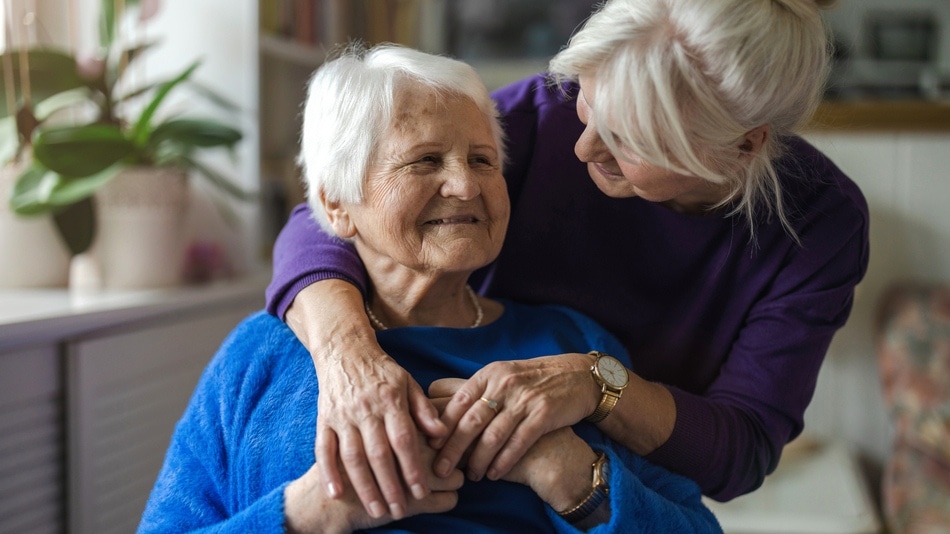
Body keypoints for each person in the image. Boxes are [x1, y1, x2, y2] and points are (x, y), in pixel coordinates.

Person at [266, 0, 869, 518]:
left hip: (615, 481)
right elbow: (330, 218)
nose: (583, 147)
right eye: (589, 103)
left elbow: (741, 449)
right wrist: (350, 359)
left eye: (630, 139)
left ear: (742, 146)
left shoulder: (820, 223)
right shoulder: (542, 116)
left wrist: (597, 387)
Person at [138, 44, 722, 533]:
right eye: (424, 161)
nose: (466, 185)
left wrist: (572, 474)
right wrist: (312, 512)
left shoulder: (570, 345)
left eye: (483, 160)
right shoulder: (261, 354)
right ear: (337, 204)